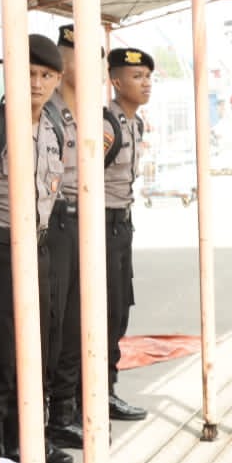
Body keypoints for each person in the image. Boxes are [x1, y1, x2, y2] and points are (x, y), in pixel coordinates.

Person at [0, 34, 72, 463]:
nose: (36, 83)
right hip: (1, 250)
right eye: (28, 73)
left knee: (41, 348)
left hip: (40, 247)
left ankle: (29, 437)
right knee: (2, 355)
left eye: (45, 75)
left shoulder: (52, 129)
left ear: (57, 80)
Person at [103, 48, 152, 422]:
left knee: (119, 311)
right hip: (100, 225)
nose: (145, 83)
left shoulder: (136, 124)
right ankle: (95, 393)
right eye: (137, 77)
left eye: (148, 76)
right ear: (116, 82)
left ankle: (107, 389)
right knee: (103, 313)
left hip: (122, 224)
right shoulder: (107, 125)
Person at [46, 24, 86, 449]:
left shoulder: (92, 111)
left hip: (87, 222)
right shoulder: (48, 112)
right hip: (56, 222)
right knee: (57, 322)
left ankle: (70, 409)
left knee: (80, 319)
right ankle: (54, 415)